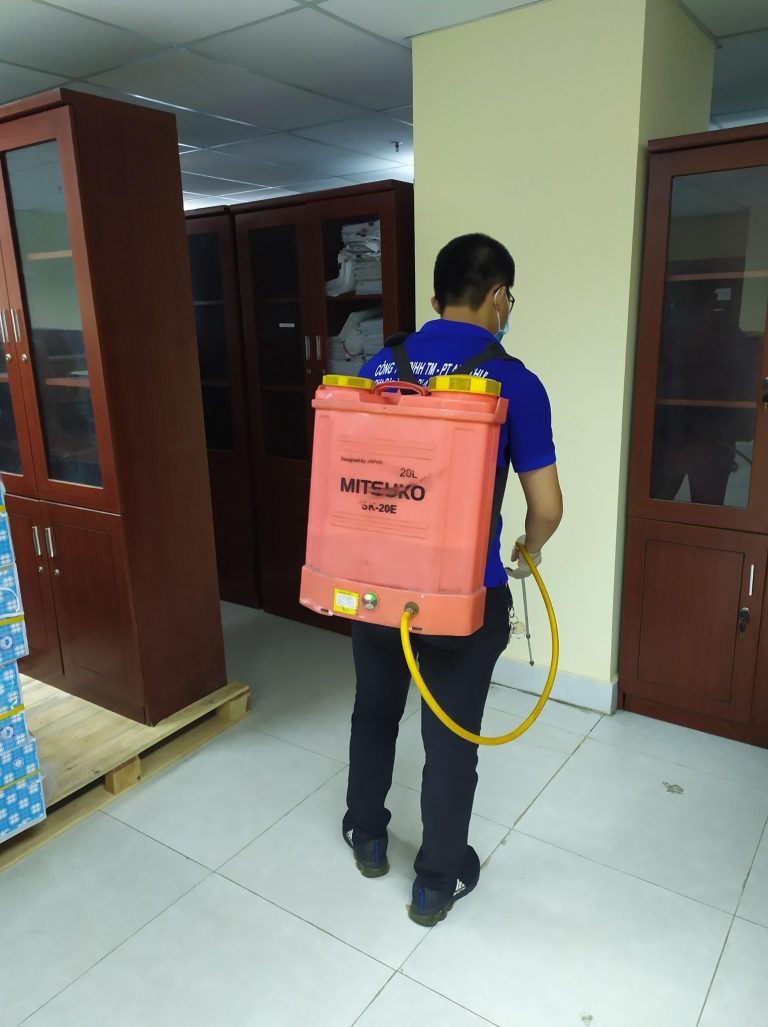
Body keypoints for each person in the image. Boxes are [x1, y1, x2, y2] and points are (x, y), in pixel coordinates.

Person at [342, 233, 563, 926]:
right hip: (462, 596)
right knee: (450, 738)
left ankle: (367, 834)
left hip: (379, 588)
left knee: (375, 710)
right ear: (498, 296)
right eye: (508, 299)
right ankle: (435, 882)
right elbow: (547, 506)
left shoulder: (381, 365)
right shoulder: (515, 382)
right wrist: (528, 548)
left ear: (436, 298)